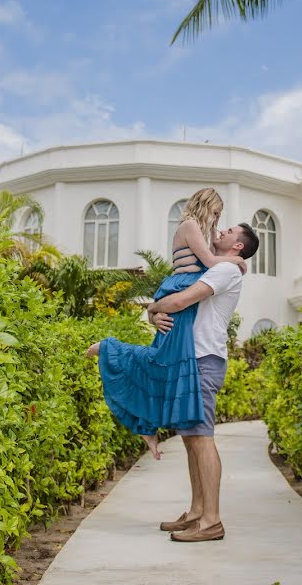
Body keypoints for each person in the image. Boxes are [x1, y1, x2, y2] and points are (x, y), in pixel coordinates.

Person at [85, 189, 246, 460]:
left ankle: (147, 426)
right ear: (207, 206)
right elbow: (208, 262)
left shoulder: (201, 231)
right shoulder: (190, 225)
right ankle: (109, 349)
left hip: (183, 293)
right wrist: (237, 259)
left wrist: (152, 310)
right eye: (216, 213)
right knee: (161, 358)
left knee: (167, 364)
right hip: (180, 290)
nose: (218, 220)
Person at [150, 223, 258, 542]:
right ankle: (197, 512)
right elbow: (173, 305)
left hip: (204, 358)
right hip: (192, 357)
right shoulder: (221, 266)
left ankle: (211, 521)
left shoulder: (225, 271)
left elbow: (182, 301)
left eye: (229, 231)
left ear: (237, 246)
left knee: (202, 437)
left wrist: (154, 307)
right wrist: (155, 313)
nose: (221, 231)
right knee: (191, 438)